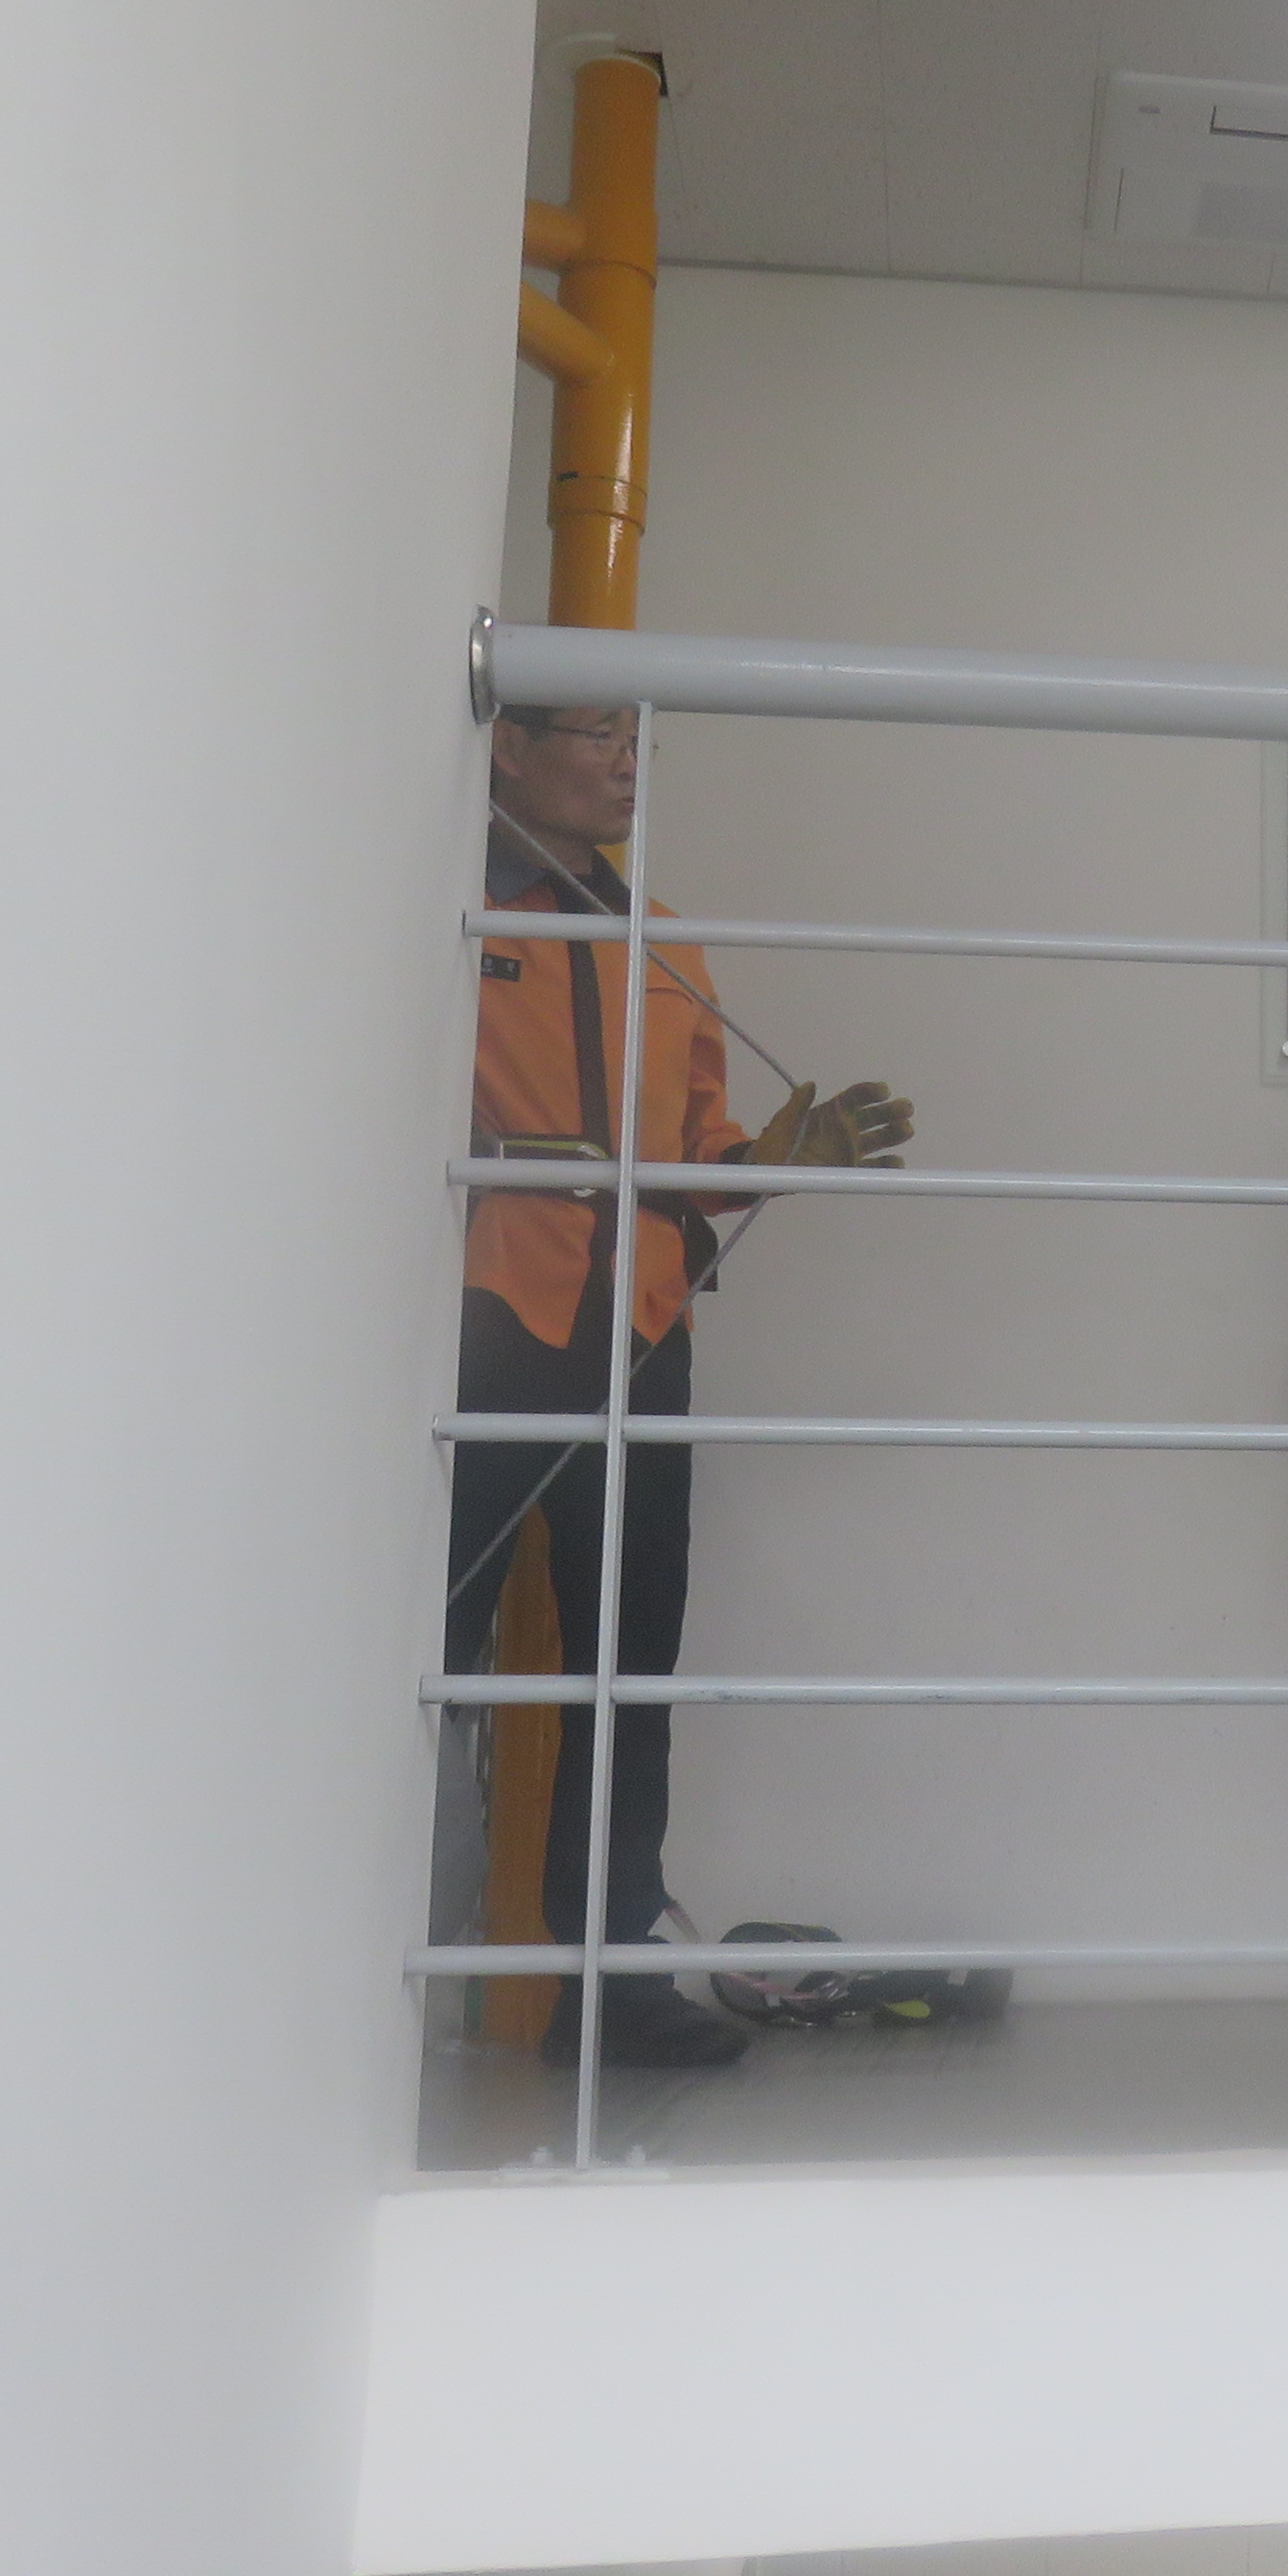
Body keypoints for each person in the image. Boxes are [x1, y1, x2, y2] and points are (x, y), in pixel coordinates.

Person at [451, 702, 909, 2071]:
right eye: (596, 735)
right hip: (482, 1326)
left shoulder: (661, 939)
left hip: (640, 1336)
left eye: (638, 741)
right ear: (509, 749)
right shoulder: (444, 916)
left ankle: (608, 1983)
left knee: (624, 1673)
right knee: (429, 1658)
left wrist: (774, 1161)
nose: (625, 764)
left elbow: (701, 1150)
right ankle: (350, 1970)